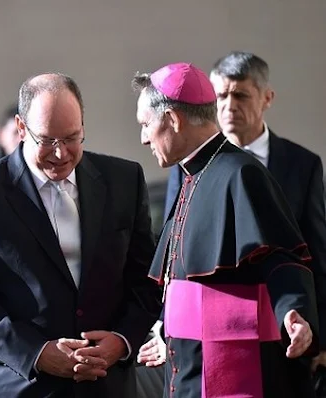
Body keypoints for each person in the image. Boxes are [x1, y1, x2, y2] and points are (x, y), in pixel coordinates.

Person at [0, 72, 161, 397]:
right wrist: (38, 354)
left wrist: (122, 341)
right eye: (47, 140)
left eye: (72, 138)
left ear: (84, 126)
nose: (61, 154)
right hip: (20, 386)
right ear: (20, 129)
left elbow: (147, 280)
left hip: (107, 384)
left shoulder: (124, 181)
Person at [134, 62, 319, 397]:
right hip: (187, 364)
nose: (144, 137)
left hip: (229, 368)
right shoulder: (190, 174)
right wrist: (167, 331)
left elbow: (280, 255)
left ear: (173, 119)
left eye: (146, 125)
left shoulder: (241, 174)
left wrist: (293, 310)